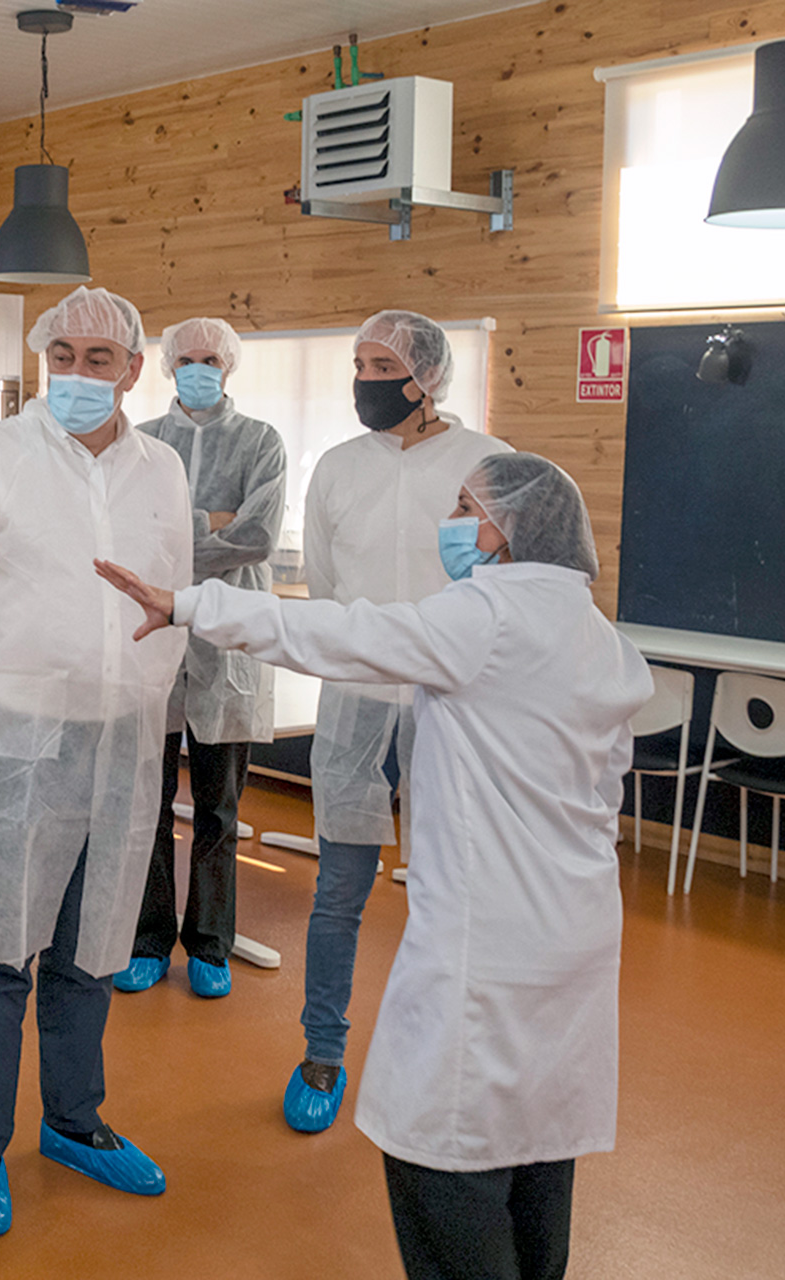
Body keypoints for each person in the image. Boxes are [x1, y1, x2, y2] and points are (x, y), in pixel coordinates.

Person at [96, 452, 650, 1280]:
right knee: (537, 1144)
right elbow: (600, 794)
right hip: (574, 932)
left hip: (486, 939)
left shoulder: (488, 617)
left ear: (510, 529)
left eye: (468, 507)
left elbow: (338, 633)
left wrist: (186, 603)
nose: (453, 522)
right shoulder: (599, 637)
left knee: (439, 1145)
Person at [0, 286, 193, 1237]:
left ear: (133, 371)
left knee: (91, 949)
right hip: (13, 741)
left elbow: (176, 601)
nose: (76, 375)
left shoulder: (161, 472)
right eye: (60, 355)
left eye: (98, 360)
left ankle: (75, 1120)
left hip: (122, 742)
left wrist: (149, 710)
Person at [286, 309, 511, 1134]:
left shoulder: (487, 462)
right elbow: (323, 580)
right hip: (355, 697)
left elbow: (508, 577)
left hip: (453, 700)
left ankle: (449, 1058)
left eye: (380, 365)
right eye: (356, 363)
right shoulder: (339, 468)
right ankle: (322, 1051)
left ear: (425, 378)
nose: (364, 381)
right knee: (338, 893)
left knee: (453, 890)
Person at [117, 317, 288, 999]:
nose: (197, 367)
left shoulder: (261, 442)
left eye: (209, 357)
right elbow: (130, 537)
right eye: (185, 357)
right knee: (147, 804)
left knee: (219, 809)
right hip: (153, 640)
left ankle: (211, 943)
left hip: (227, 640)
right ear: (165, 365)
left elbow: (258, 536)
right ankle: (148, 938)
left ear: (230, 365)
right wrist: (212, 519)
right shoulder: (144, 443)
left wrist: (183, 530)